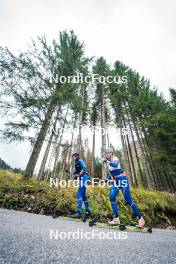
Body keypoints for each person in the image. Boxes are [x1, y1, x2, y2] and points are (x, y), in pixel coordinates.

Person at [104, 148, 145, 228]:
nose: (106, 155)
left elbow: (115, 165)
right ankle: (116, 219)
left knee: (128, 200)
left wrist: (108, 162)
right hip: (116, 181)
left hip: (122, 180)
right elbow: (111, 173)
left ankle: (141, 219)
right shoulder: (108, 163)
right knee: (112, 197)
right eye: (105, 154)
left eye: (108, 153)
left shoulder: (115, 159)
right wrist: (107, 179)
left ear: (111, 153)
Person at [68, 152, 91, 219]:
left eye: (74, 156)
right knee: (83, 195)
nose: (73, 158)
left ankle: (78, 212)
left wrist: (79, 174)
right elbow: (73, 173)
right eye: (73, 157)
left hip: (85, 177)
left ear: (77, 156)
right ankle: (88, 211)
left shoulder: (80, 160)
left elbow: (84, 167)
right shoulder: (76, 164)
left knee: (79, 193)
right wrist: (68, 172)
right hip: (82, 178)